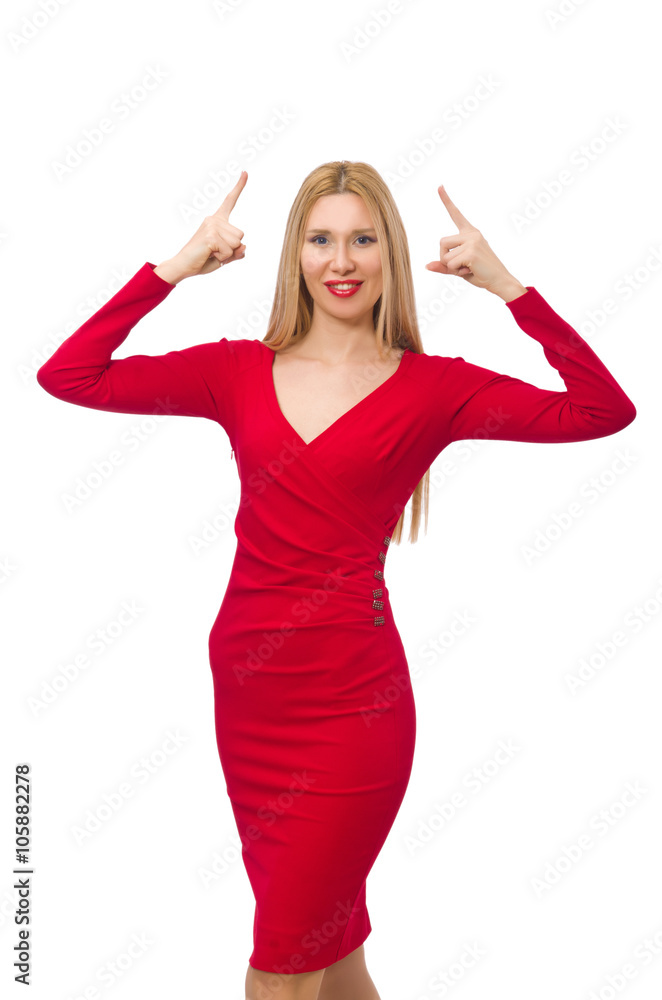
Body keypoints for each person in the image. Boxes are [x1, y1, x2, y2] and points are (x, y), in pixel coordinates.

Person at [36, 161, 636, 1000]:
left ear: (392, 253)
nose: (342, 260)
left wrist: (509, 289)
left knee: (280, 970)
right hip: (252, 697)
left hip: (355, 707)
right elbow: (70, 374)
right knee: (336, 961)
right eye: (321, 239)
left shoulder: (438, 388)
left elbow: (602, 410)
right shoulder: (234, 370)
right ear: (296, 253)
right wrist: (174, 269)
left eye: (363, 239)